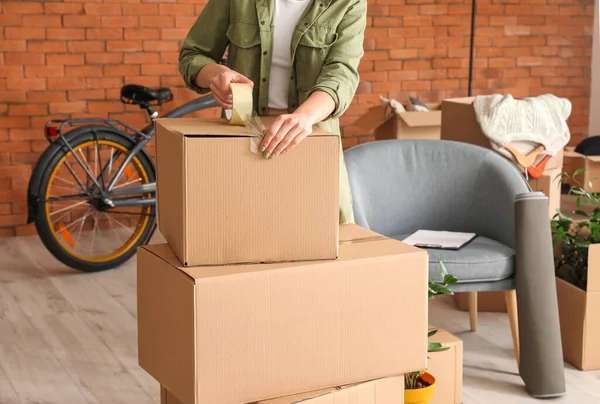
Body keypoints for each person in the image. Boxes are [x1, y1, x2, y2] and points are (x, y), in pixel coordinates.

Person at [178, 0, 367, 224]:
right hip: (244, 141)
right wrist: (216, 74)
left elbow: (342, 72)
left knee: (326, 238)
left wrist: (304, 117)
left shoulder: (348, 2)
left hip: (312, 138)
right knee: (237, 233)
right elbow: (193, 55)